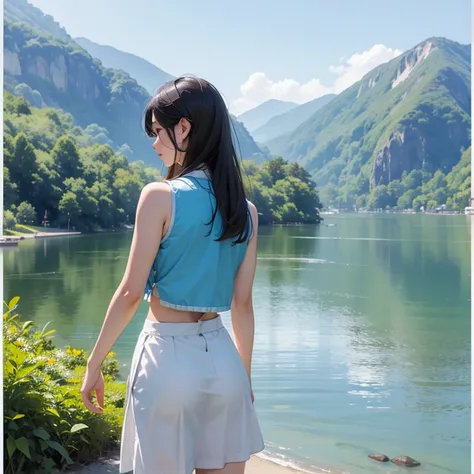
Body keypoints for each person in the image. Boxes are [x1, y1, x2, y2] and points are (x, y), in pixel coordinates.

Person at [80, 76, 265, 474]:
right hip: (225, 362)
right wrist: (243, 379)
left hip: (168, 359)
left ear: (184, 128)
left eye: (158, 131)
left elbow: (131, 292)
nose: (153, 143)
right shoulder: (245, 211)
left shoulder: (160, 197)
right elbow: (243, 305)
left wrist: (94, 364)